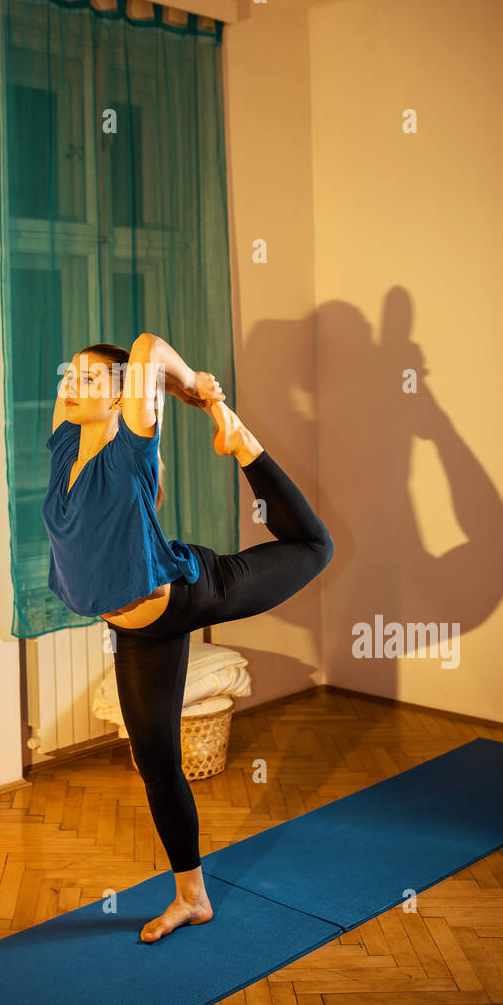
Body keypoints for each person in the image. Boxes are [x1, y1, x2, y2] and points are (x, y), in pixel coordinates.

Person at [40, 334, 334, 942]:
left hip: (193, 591)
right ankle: (192, 898)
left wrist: (195, 385)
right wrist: (174, 388)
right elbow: (103, 378)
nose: (74, 385)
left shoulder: (130, 448)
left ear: (124, 398)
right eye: (73, 375)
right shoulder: (66, 438)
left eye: (93, 380)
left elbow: (147, 345)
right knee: (155, 762)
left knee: (314, 548)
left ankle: (244, 444)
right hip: (136, 630)